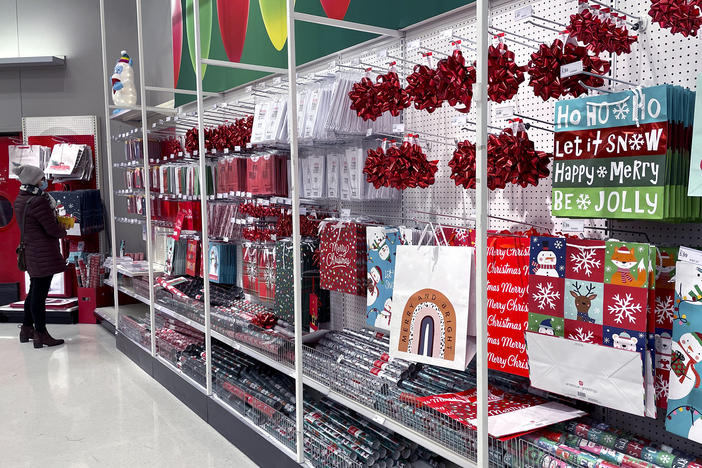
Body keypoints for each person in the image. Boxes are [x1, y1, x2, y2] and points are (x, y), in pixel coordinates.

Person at [13, 165, 67, 348]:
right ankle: (41, 333)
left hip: (30, 252)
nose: (44, 182)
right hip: (43, 253)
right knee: (39, 294)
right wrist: (63, 228)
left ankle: (27, 328)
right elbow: (51, 229)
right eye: (41, 178)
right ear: (33, 180)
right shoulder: (39, 201)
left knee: (34, 291)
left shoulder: (21, 199)